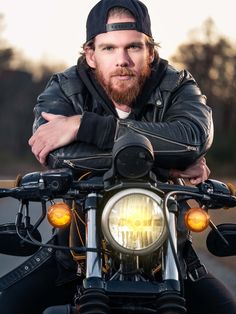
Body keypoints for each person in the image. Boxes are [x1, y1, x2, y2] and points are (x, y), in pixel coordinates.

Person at [0, 0, 235, 313]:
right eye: (109, 48)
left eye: (134, 47)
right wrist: (168, 157)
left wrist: (86, 126)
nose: (122, 59)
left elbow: (192, 138)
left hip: (168, 250)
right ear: (91, 55)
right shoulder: (65, 88)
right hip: (78, 248)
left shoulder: (177, 85)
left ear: (150, 51)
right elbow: (57, 153)